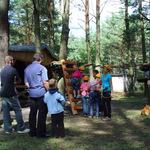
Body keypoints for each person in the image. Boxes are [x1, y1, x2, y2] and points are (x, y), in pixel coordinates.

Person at [1, 55, 29, 134]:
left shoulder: (2, 70)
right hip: (11, 93)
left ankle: (8, 129)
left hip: (3, 93)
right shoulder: (13, 70)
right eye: (12, 61)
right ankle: (21, 128)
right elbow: (19, 81)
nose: (13, 62)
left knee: (6, 111)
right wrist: (14, 83)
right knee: (18, 110)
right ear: (10, 61)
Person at [24, 52, 50, 138]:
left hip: (31, 93)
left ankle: (32, 132)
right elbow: (45, 82)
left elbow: (26, 82)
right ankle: (41, 133)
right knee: (42, 113)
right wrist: (50, 91)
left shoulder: (27, 68)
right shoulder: (42, 68)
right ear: (41, 59)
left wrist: (32, 87)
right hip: (40, 93)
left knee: (32, 113)